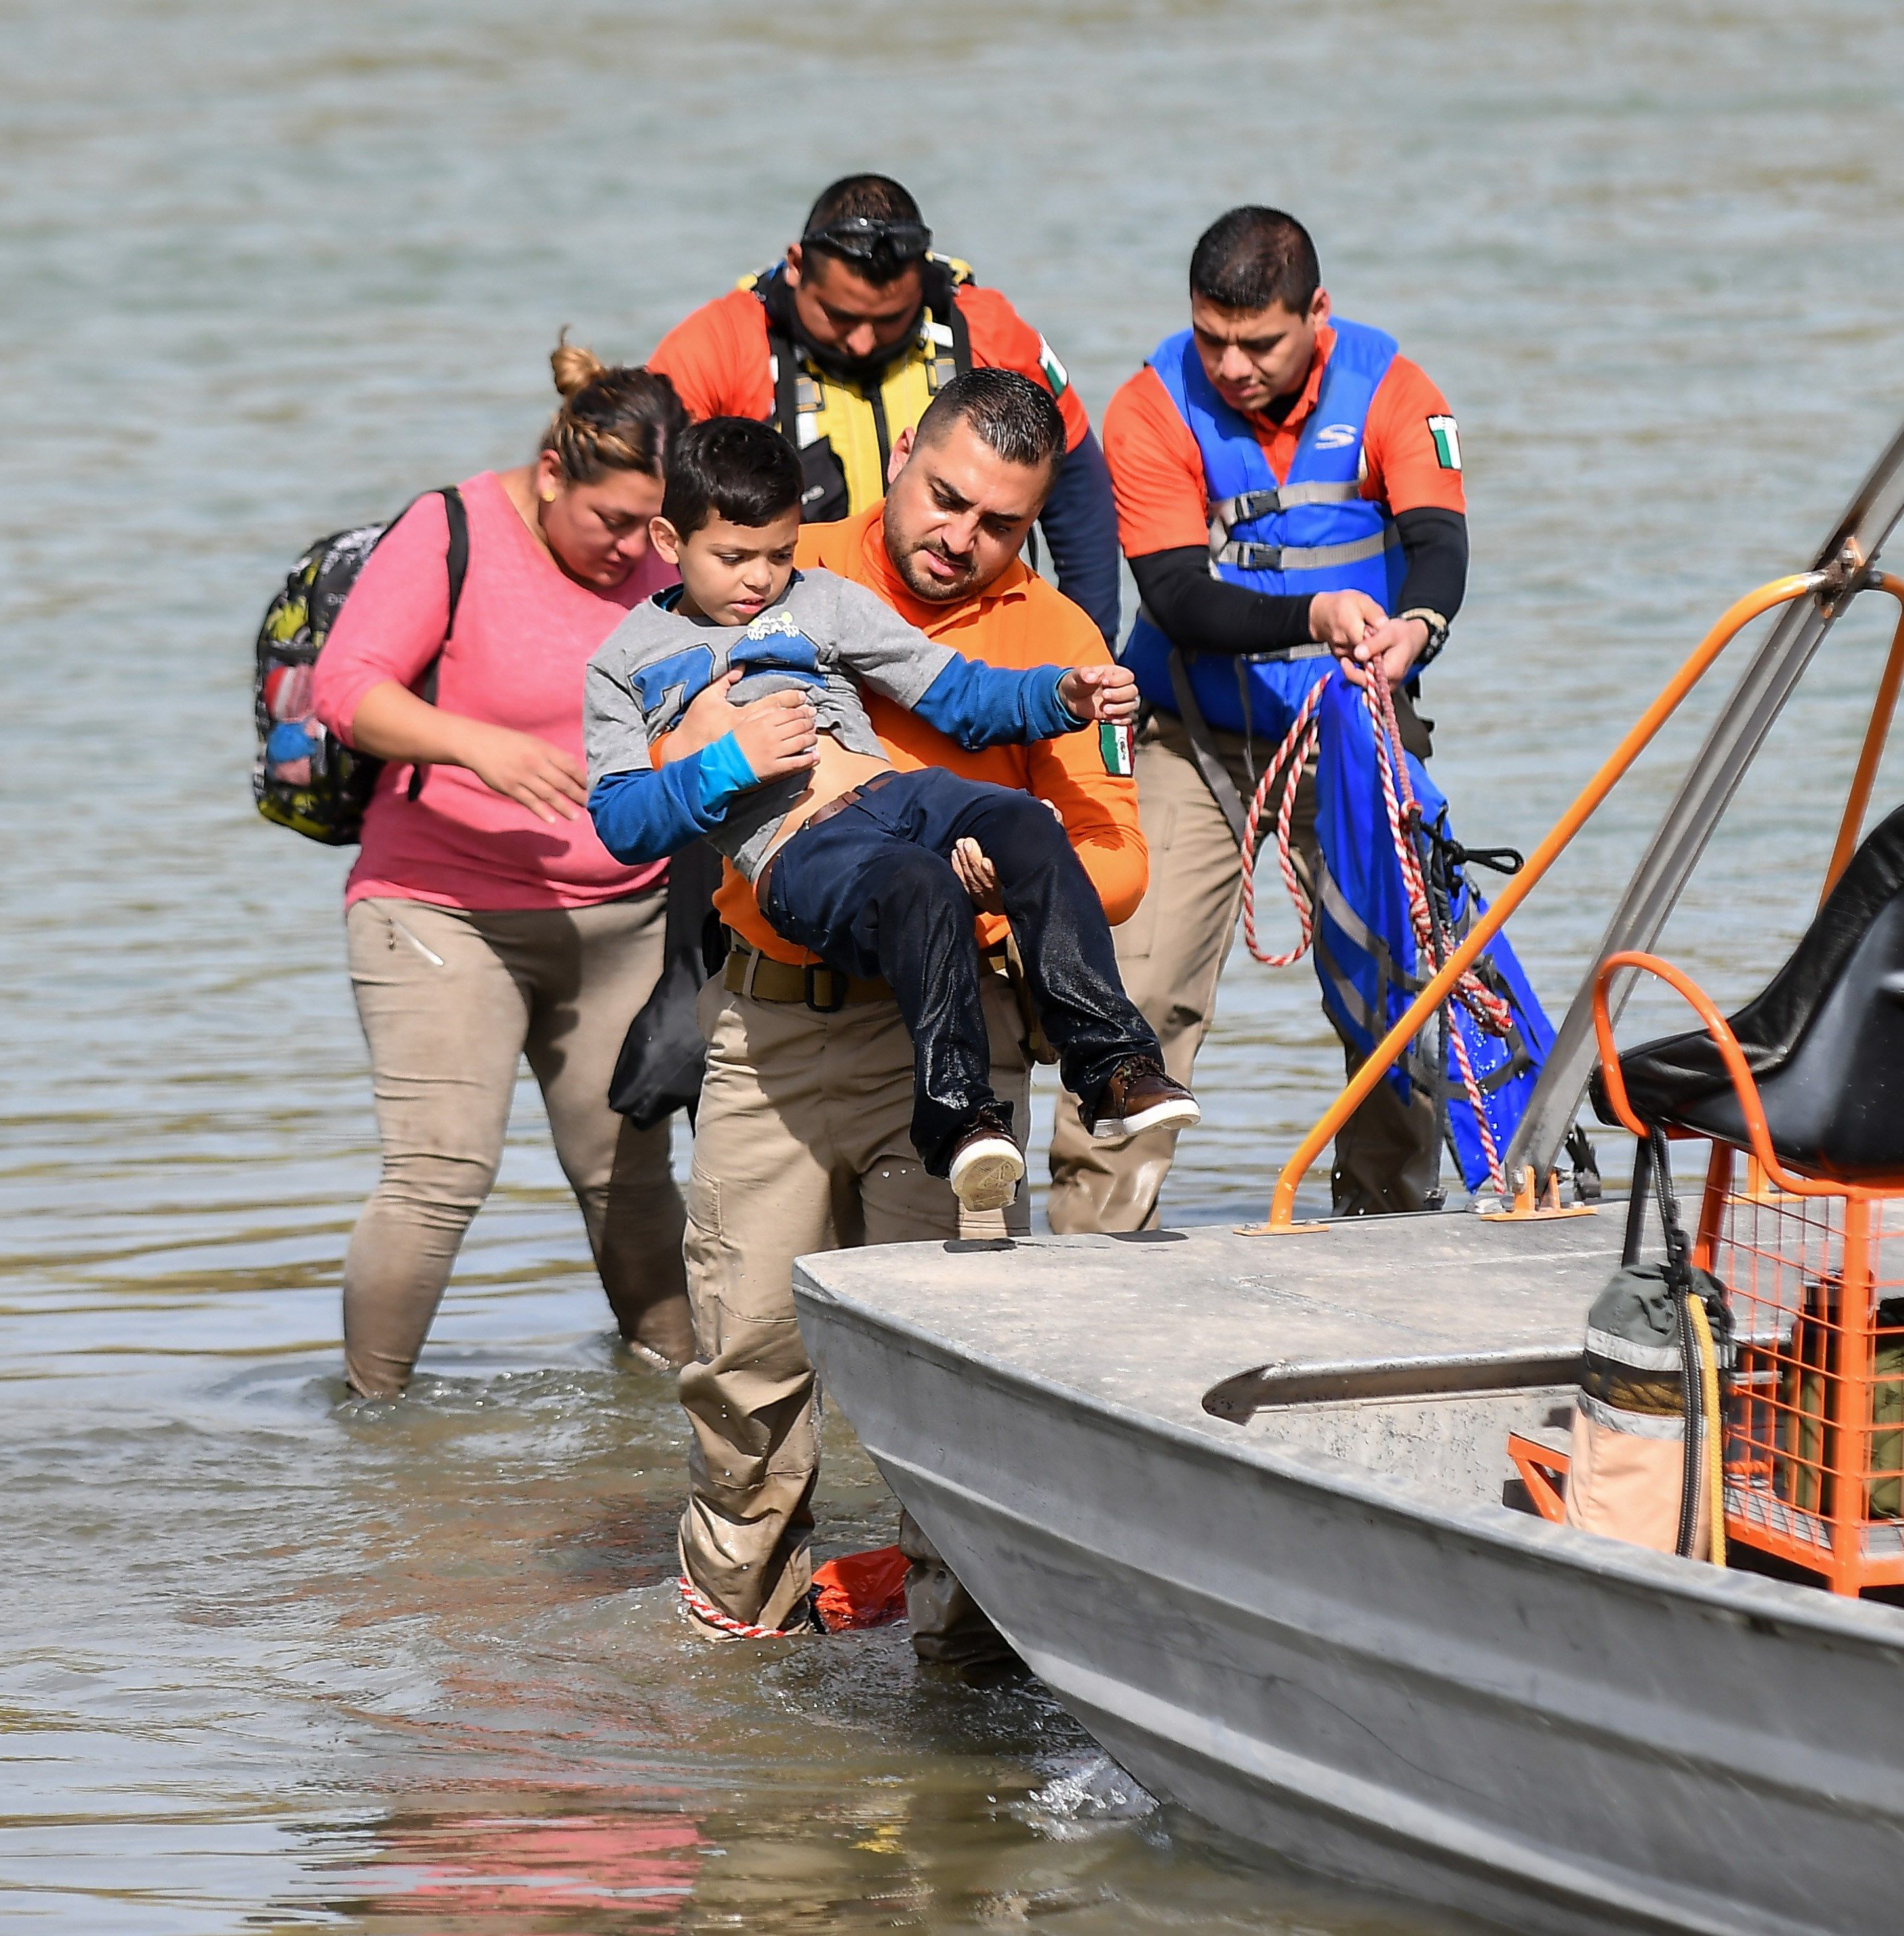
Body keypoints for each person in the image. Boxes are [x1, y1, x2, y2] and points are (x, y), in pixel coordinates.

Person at [609, 370, 1149, 1648]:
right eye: (945, 498)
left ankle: (968, 1671)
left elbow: (1112, 861)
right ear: (899, 455)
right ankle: (739, 1648)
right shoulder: (792, 561)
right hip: (772, 1030)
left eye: (1000, 522)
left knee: (955, 1352)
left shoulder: (1055, 629)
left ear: (1034, 526)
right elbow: (636, 797)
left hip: (947, 1011)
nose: (960, 537)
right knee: (743, 1364)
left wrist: (997, 899)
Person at [585, 414, 1193, 1207]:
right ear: (669, 541)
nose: (760, 580)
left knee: (1024, 823)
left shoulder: (822, 597)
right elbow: (622, 822)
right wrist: (729, 763)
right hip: (800, 852)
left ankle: (1111, 1067)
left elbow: (957, 691)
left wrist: (1059, 695)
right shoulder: (623, 660)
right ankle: (958, 1115)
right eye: (733, 559)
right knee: (915, 883)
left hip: (893, 794)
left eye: (778, 555)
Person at [1046, 207, 1473, 1233]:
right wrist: (1316, 610)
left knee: (1391, 992)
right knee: (1139, 995)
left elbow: (1438, 545)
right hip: (1188, 738)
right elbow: (1179, 598)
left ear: (1315, 314)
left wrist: (1418, 624)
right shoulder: (1152, 405)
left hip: (1353, 733)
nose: (1231, 364)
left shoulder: (1397, 390)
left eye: (1259, 341)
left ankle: (1391, 1222)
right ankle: (1091, 1242)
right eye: (1212, 337)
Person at [311, 340, 696, 1397]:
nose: (629, 549)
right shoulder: (454, 528)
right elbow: (346, 688)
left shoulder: (667, 557)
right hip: (442, 910)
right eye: (610, 520)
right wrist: (475, 743)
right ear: (553, 471)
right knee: (440, 1173)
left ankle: (674, 1396)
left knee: (628, 1178)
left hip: (625, 919)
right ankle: (372, 1422)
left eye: (651, 526)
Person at [648, 173, 1121, 644]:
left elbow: (1079, 497)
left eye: (891, 319)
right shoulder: (714, 349)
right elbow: (650, 526)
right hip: (793, 651)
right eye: (840, 315)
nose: (862, 342)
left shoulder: (990, 333)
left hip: (970, 651)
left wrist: (1088, 648)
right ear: (796, 266)